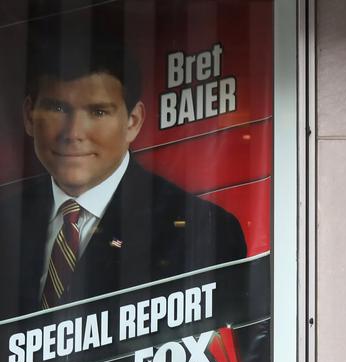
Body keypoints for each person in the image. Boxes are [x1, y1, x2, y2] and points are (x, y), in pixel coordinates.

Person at [0, 29, 247, 319]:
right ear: (29, 116)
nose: (74, 133)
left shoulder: (203, 230)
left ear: (133, 122)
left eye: (98, 112)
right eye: (57, 108)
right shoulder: (7, 221)